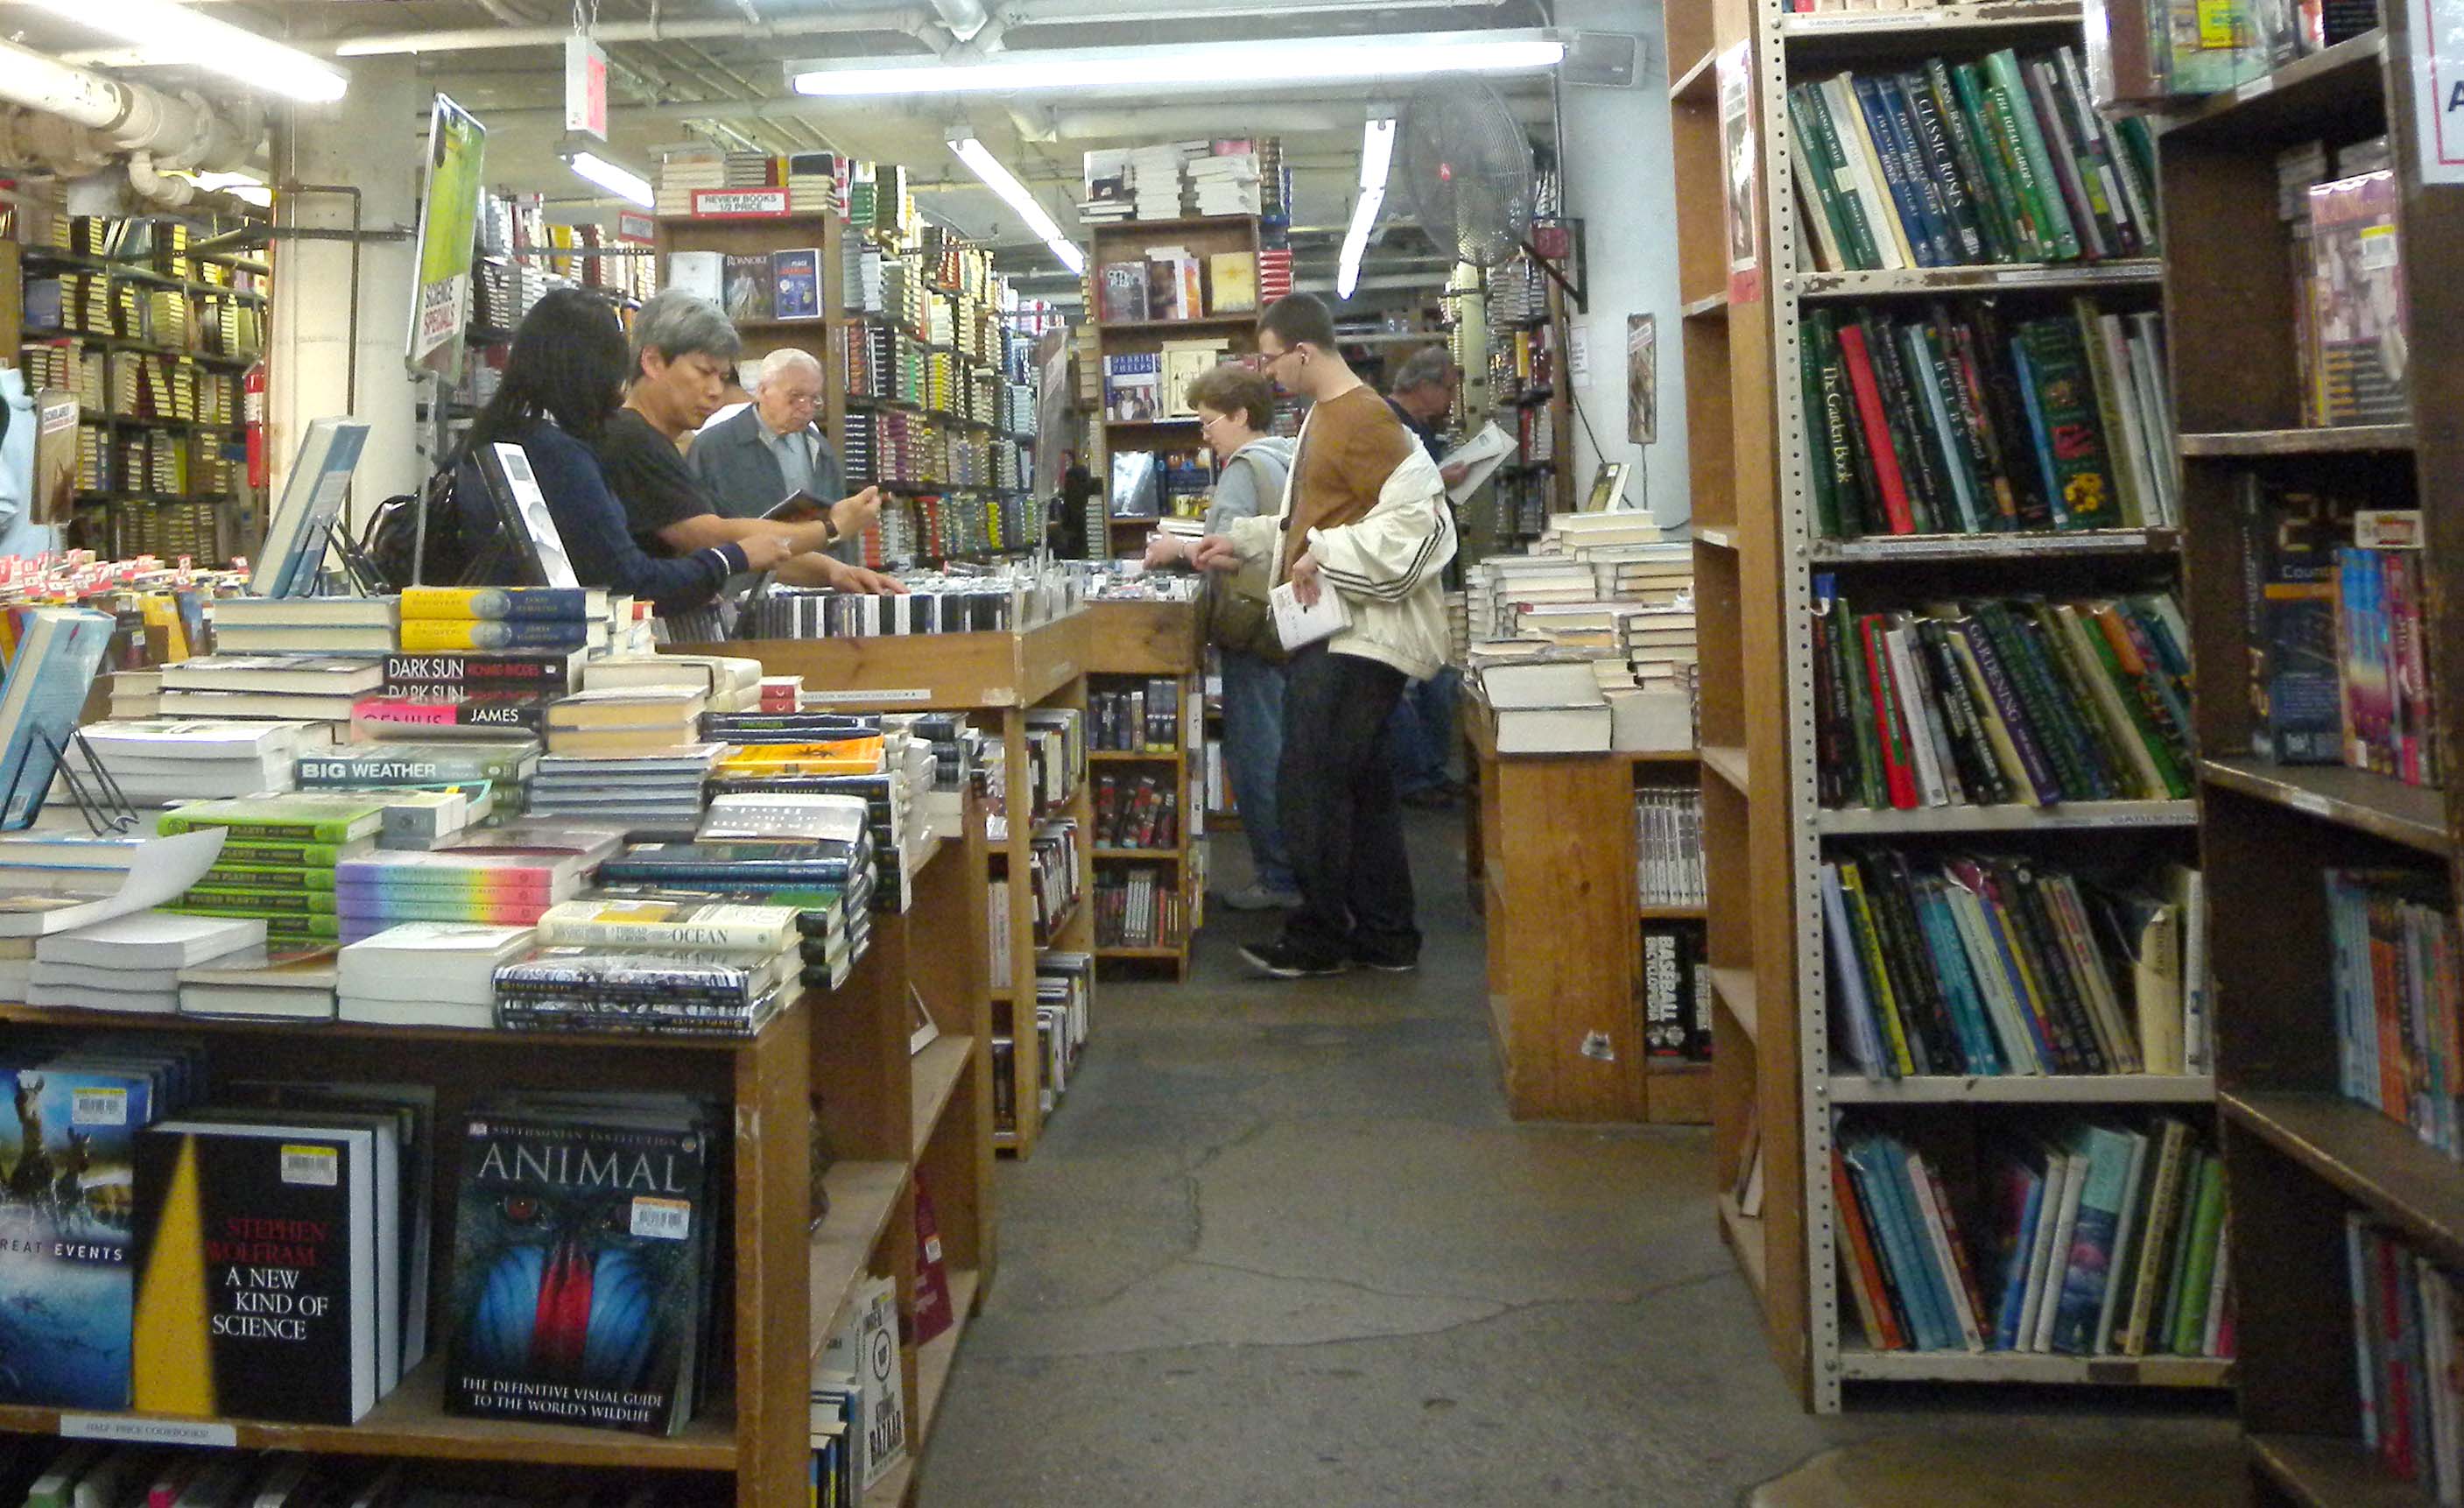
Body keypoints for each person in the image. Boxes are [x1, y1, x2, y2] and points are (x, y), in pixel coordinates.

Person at [1189, 293, 1456, 979]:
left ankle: (1320, 934)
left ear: (1304, 352)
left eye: (1273, 358)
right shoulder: (1324, 419)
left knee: (1308, 780)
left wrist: (1326, 553)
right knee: (1359, 786)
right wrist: (1244, 542)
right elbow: (1304, 519)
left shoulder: (1364, 415)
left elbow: (1425, 523)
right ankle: (1386, 935)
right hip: (1336, 626)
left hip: (1359, 634)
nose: (1269, 373)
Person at [450, 287, 794, 618]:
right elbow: (628, 582)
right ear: (592, 371)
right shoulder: (559, 455)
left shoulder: (492, 437)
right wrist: (731, 558)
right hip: (549, 647)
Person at [595, 291, 902, 621]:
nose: (715, 391)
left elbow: (750, 545)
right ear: (653, 362)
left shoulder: (655, 442)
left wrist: (833, 571)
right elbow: (708, 537)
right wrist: (831, 528)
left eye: (722, 377)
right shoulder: (632, 439)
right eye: (703, 372)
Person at [1144, 363, 1299, 911]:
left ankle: (1278, 878)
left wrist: (1177, 551)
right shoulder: (1288, 457)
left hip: (1250, 630)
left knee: (1256, 753)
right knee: (1286, 750)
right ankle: (1294, 870)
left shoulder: (1243, 468)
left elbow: (1226, 547)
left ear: (1240, 416)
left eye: (1210, 421)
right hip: (1289, 626)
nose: (1203, 433)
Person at [688, 348, 880, 566]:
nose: (806, 408)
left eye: (814, 400)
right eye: (795, 397)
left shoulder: (820, 450)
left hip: (816, 578)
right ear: (762, 391)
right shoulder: (712, 447)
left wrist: (847, 573)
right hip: (741, 579)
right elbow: (694, 532)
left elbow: (839, 529)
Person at [1382, 345, 1468, 810]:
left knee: (1430, 669)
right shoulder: (1393, 426)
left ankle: (1428, 770)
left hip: (1422, 561)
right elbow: (1392, 494)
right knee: (1416, 673)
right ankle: (1420, 773)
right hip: (1407, 566)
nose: (1453, 399)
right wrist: (1440, 480)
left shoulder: (1416, 427)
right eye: (1449, 388)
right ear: (1424, 385)